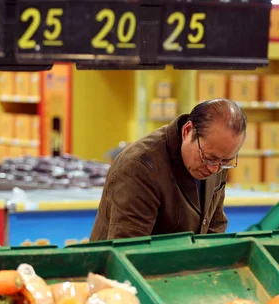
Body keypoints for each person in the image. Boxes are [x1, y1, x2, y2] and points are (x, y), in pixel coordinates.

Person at [90, 99, 247, 241]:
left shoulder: (217, 155)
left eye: (225, 161)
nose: (214, 169)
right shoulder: (139, 168)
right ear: (187, 131)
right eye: (208, 158)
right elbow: (128, 251)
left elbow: (214, 227)